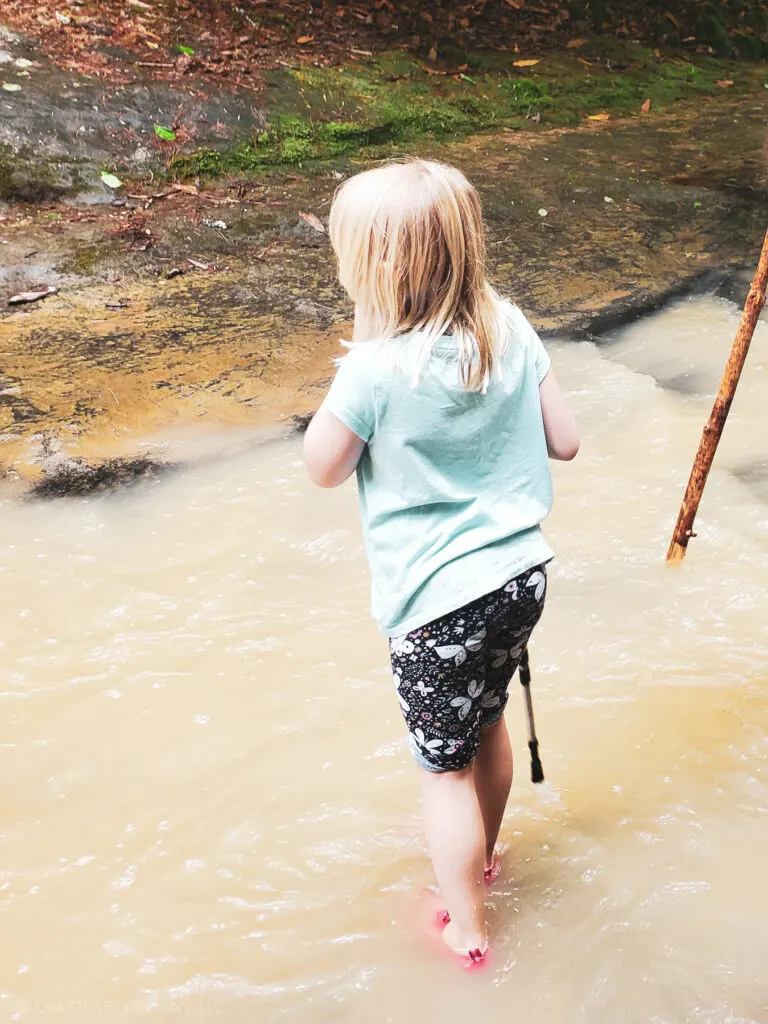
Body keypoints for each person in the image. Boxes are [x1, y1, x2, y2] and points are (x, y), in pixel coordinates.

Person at [303, 159, 579, 969]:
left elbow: (321, 466)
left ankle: (467, 928)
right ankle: (485, 857)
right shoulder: (512, 326)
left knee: (441, 771)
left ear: (374, 270)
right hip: (521, 577)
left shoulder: (376, 369)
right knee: (486, 722)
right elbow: (565, 439)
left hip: (436, 604)